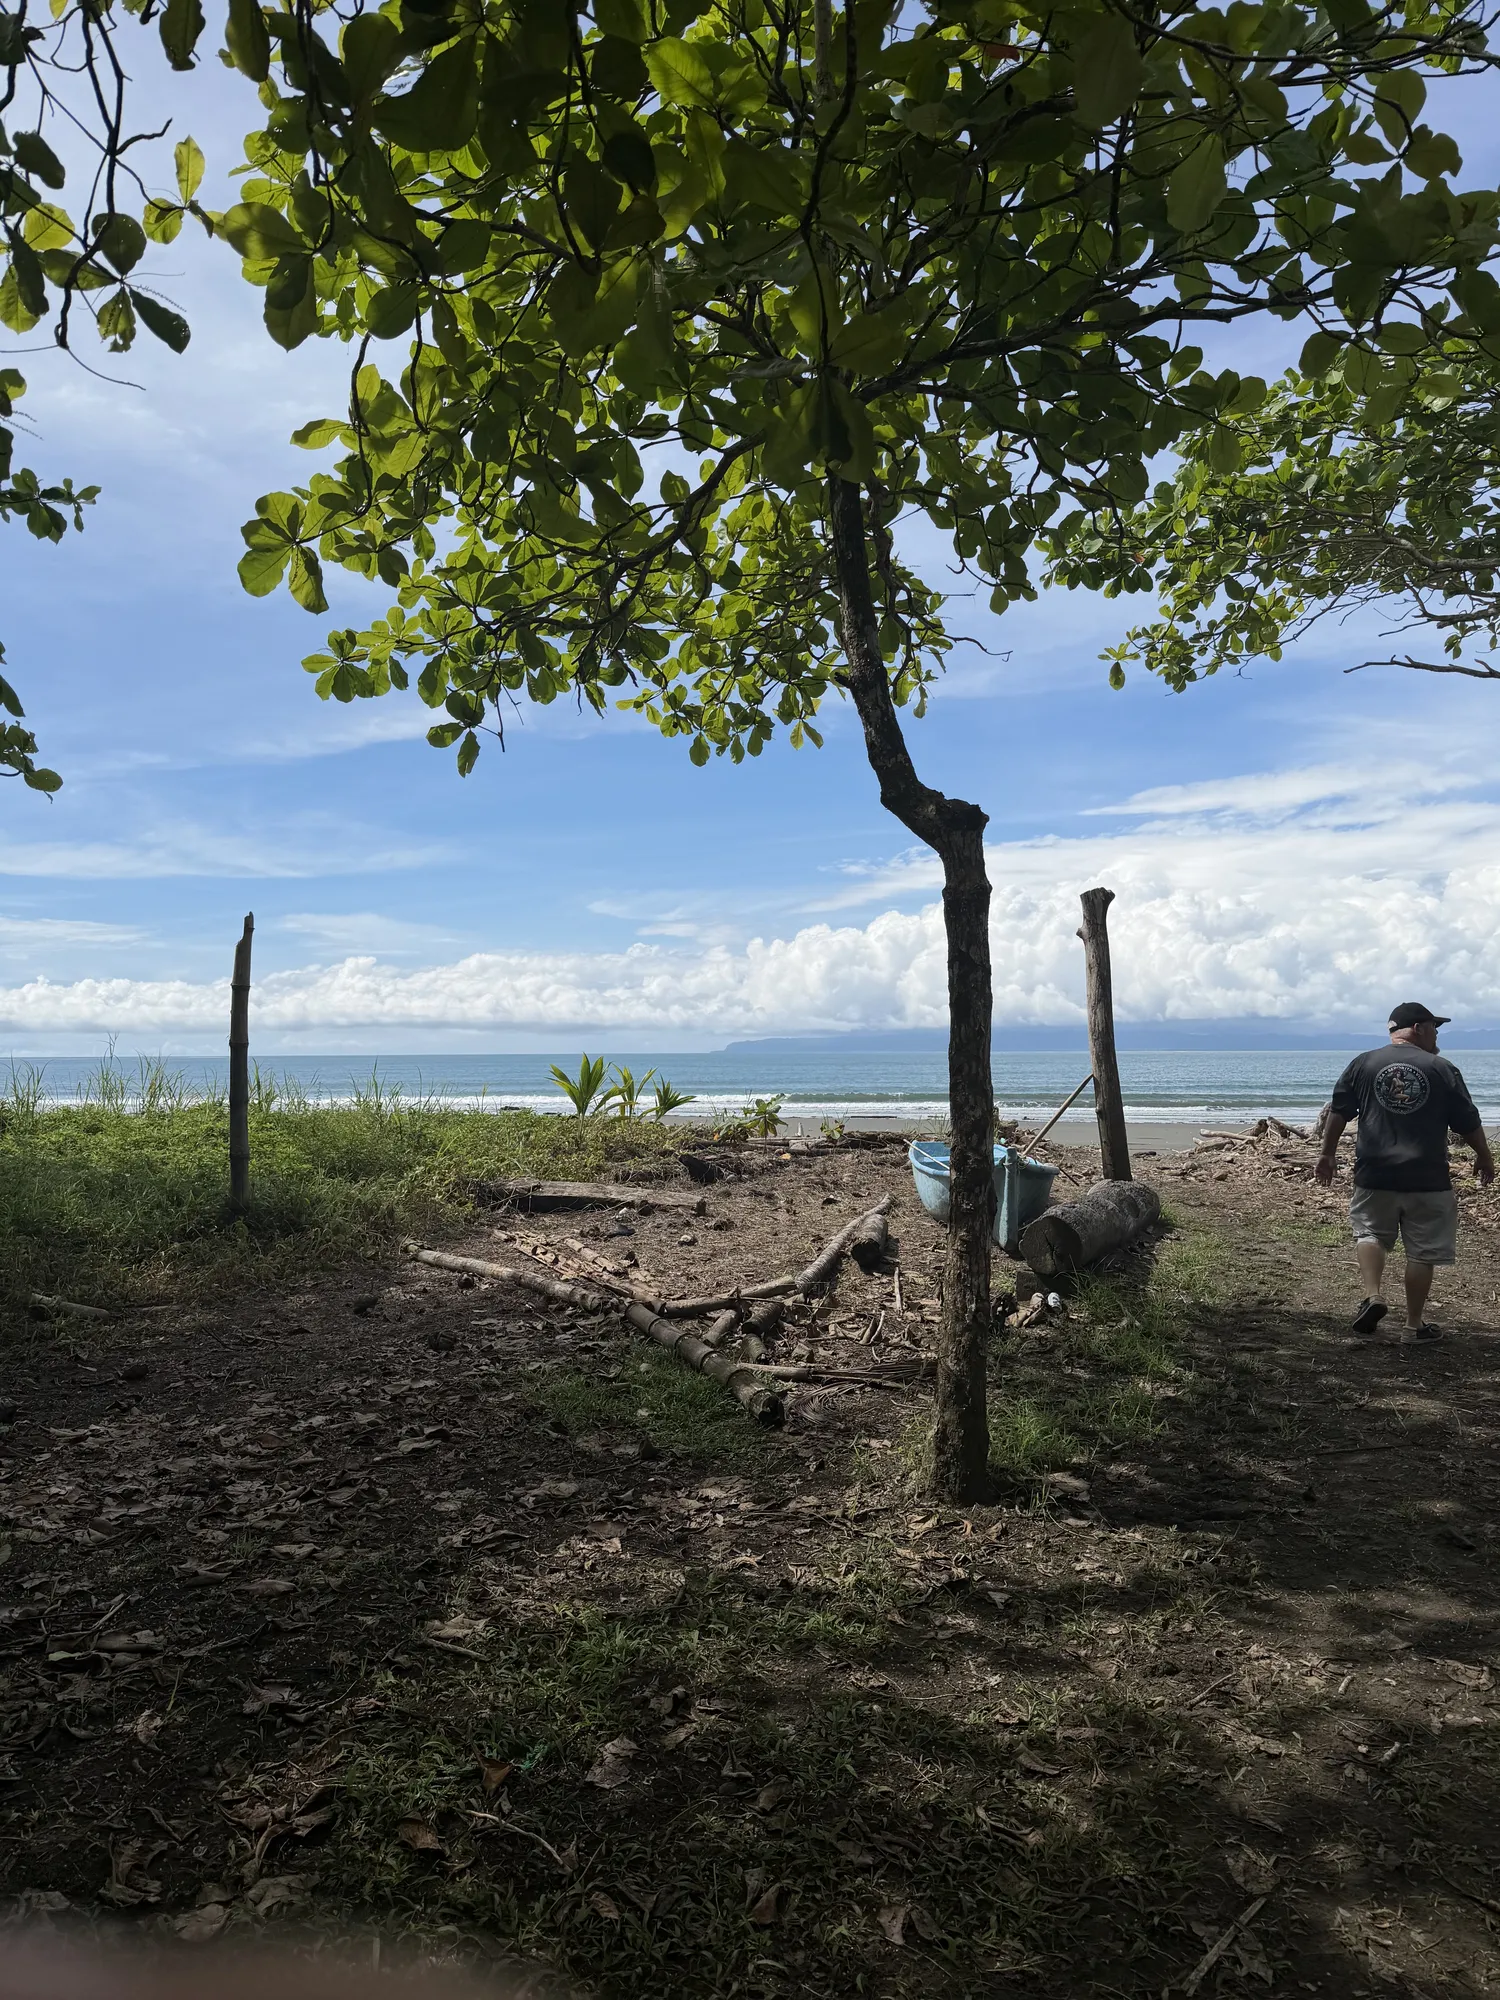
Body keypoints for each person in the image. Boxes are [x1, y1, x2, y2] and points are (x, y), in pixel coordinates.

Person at [1314, 1002, 1495, 1339]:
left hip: (1374, 1174)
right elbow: (1468, 1121)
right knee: (1422, 1251)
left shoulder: (1363, 1063)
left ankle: (1374, 1295)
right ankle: (1413, 1326)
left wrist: (1327, 1154)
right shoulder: (1442, 1068)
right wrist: (1484, 1155)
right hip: (1427, 1179)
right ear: (1418, 1028)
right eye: (1435, 1028)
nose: (1438, 1034)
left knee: (1369, 1234)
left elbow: (1338, 1111)